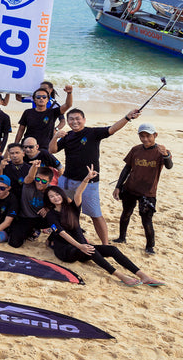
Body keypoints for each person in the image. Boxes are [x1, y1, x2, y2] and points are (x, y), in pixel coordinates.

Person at [44, 173, 163, 287]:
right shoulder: (51, 215)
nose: (55, 198)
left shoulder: (71, 208)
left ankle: (143, 276)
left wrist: (87, 178)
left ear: (62, 195)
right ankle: (120, 276)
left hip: (83, 247)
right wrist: (80, 246)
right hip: (67, 251)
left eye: (57, 194)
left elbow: (78, 193)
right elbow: (62, 233)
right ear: (48, 200)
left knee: (112, 249)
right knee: (91, 250)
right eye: (51, 196)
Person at [50, 107, 141, 245]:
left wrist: (127, 117)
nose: (75, 122)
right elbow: (52, 150)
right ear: (67, 121)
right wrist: (55, 137)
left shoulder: (93, 133)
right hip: (67, 180)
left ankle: (105, 244)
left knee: (95, 214)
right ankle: (68, 238)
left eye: (77, 119)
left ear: (84, 120)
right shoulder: (67, 136)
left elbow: (112, 129)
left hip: (89, 182)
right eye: (71, 119)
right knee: (66, 211)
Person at [113, 123, 173, 253]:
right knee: (125, 214)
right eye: (142, 136)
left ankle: (150, 246)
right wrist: (118, 186)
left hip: (148, 192)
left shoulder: (161, 151)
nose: (145, 139)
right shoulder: (135, 149)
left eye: (148, 136)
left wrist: (166, 155)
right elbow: (126, 168)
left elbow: (169, 166)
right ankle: (121, 238)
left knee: (146, 219)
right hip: (130, 188)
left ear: (155, 135)